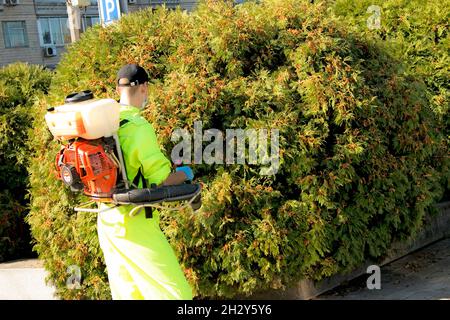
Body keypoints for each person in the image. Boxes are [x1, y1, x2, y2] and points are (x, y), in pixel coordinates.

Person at [97, 64, 194, 300]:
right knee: (175, 294)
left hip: (107, 219)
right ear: (144, 87)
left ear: (118, 89)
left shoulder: (105, 123)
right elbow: (162, 180)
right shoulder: (139, 127)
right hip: (135, 222)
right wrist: (186, 173)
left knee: (129, 295)